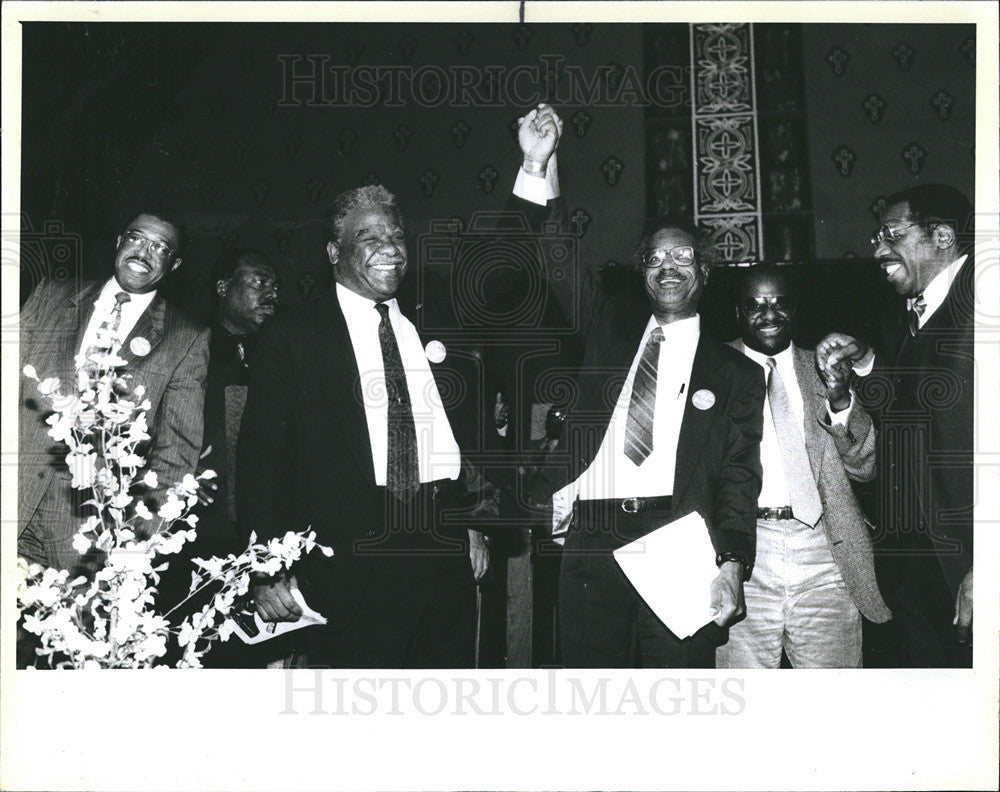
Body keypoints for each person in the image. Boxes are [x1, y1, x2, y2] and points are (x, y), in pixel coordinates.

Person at [528, 116, 764, 666]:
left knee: (677, 697)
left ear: (704, 273)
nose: (668, 267)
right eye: (655, 259)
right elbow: (562, 260)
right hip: (594, 534)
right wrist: (543, 166)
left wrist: (731, 562)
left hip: (681, 537)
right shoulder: (609, 332)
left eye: (682, 257)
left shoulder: (735, 373)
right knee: (592, 695)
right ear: (642, 275)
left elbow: (737, 475)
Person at [236, 184, 492, 668]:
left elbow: (457, 431)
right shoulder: (293, 336)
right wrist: (266, 567)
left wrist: (473, 521)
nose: (390, 247)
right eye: (369, 236)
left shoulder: (429, 322)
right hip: (350, 561)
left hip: (442, 549)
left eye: (396, 235)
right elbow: (263, 457)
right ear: (335, 251)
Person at [816, 184, 974, 667]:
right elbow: (924, 405)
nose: (878, 249)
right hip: (912, 564)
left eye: (892, 234)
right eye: (875, 237)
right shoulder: (911, 311)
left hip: (964, 560)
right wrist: (866, 361)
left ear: (942, 235)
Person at [715, 265, 890, 669]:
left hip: (825, 555)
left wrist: (841, 399)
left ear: (797, 310)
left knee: (831, 703)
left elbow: (867, 467)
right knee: (740, 700)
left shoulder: (826, 368)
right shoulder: (711, 368)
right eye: (754, 305)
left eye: (781, 303)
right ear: (738, 312)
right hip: (742, 554)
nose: (769, 315)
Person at [18, 212, 209, 573]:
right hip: (13, 500)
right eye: (136, 239)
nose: (143, 252)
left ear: (174, 264)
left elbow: (177, 452)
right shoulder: (51, 295)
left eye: (159, 248)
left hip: (90, 532)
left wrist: (136, 539)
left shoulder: (185, 337)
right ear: (119, 242)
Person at [200, 248, 279, 552]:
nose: (272, 293)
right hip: (202, 524)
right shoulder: (192, 347)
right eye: (260, 283)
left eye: (276, 286)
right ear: (223, 288)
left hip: (266, 523)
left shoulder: (283, 354)